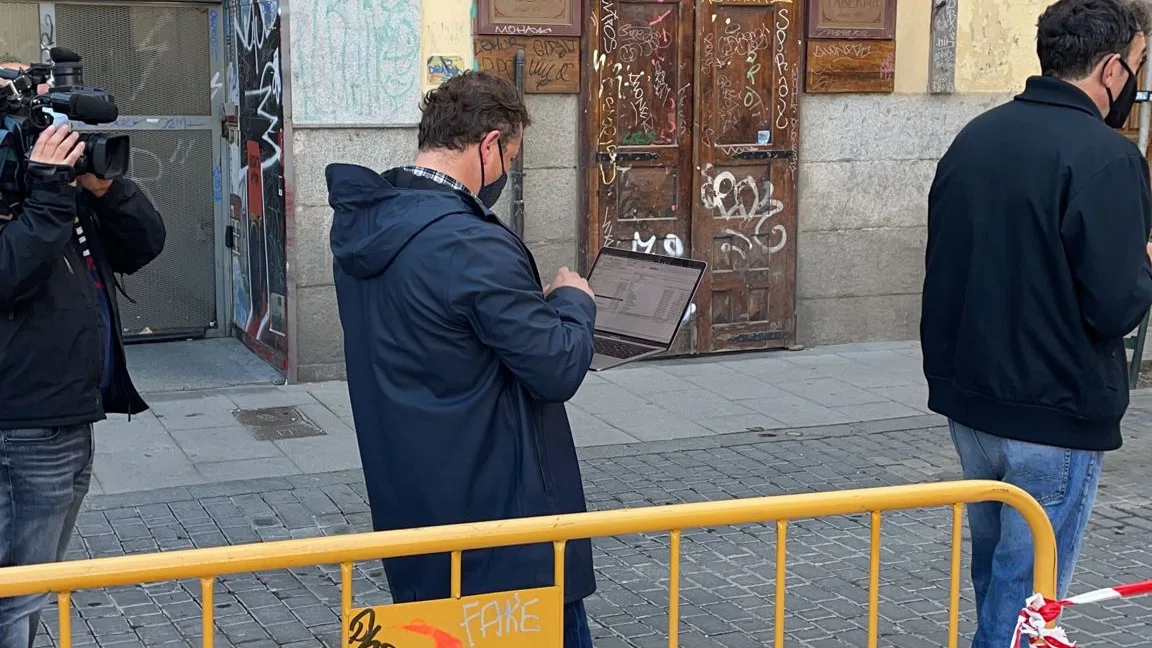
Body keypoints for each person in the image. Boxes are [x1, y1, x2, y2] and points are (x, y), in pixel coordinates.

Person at [327, 71, 598, 648]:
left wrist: (529, 310)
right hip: (506, 542)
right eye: (510, 156)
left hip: (416, 519)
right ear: (489, 143)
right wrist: (573, 302)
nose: (506, 172)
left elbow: (448, 340)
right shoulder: (470, 242)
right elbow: (556, 367)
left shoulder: (370, 227)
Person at [920, 0, 1152, 645]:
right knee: (1027, 593)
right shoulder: (1107, 156)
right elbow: (1115, 305)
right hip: (1053, 408)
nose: (1135, 78)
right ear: (1111, 70)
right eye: (1137, 65)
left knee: (998, 576)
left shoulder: (978, 135)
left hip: (973, 400)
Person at [0, 67, 165, 648]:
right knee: (13, 595)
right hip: (22, 426)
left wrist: (105, 189)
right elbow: (7, 279)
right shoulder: (37, 199)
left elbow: (144, 244)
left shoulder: (53, 194)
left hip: (70, 414)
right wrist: (46, 194)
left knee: (34, 588)